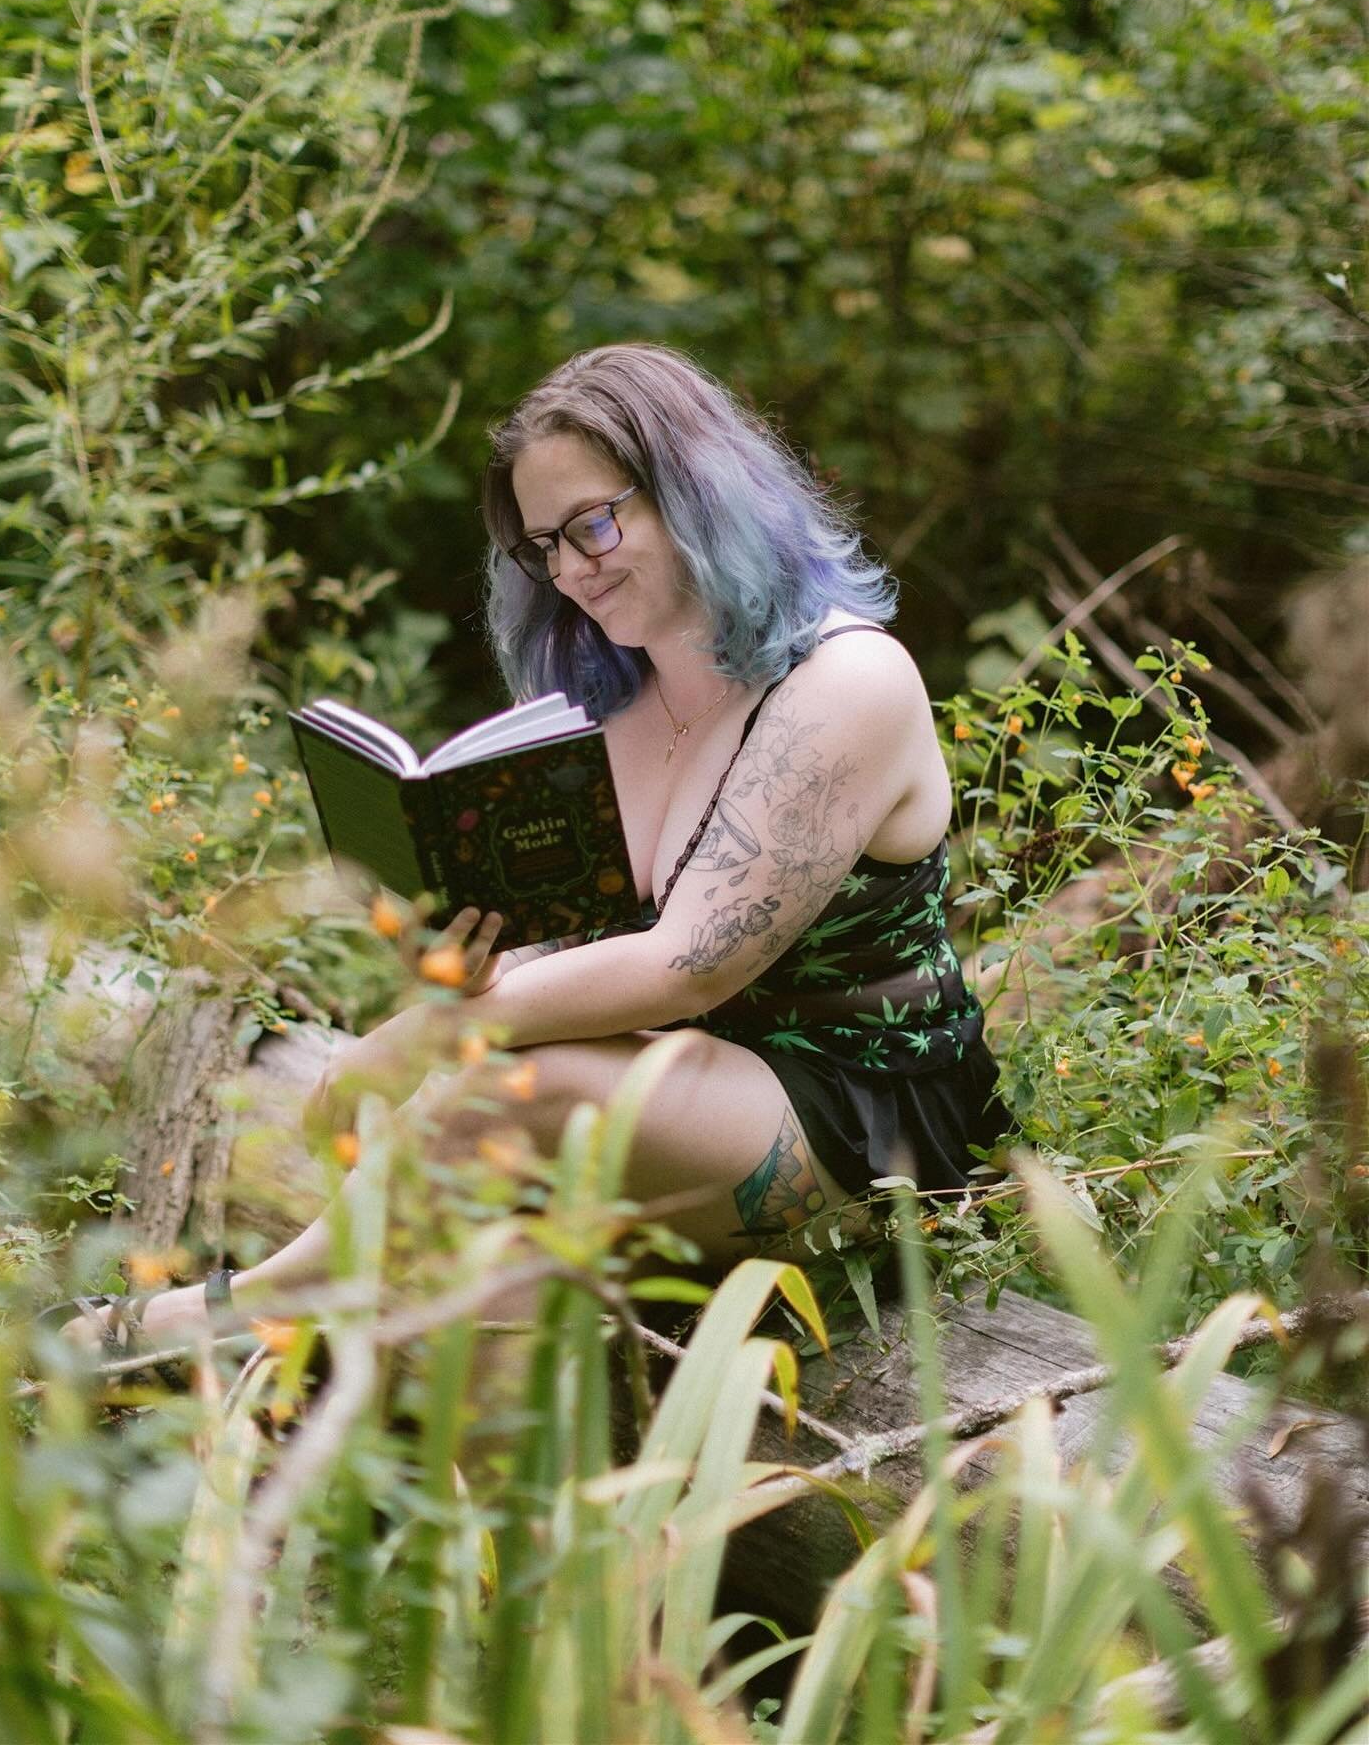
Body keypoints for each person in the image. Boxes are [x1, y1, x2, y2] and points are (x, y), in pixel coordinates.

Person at [60, 343, 1008, 1358]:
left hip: (866, 1129)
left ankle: (228, 1317)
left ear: (696, 489)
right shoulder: (620, 704)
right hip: (687, 1100)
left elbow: (691, 964)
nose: (571, 570)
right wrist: (470, 983)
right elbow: (571, 956)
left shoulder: (846, 682)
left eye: (594, 524)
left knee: (514, 1091)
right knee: (477, 1248)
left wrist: (425, 1043)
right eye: (544, 546)